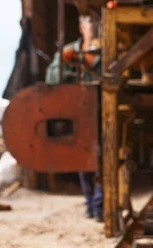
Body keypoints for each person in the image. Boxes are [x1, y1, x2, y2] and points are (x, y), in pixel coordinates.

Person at [46, 15, 104, 222]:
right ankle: (90, 204)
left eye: (100, 23)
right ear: (82, 27)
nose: (96, 27)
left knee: (104, 160)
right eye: (91, 23)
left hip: (104, 115)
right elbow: (52, 79)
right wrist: (63, 61)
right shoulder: (70, 52)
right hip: (79, 118)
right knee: (84, 162)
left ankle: (99, 206)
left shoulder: (110, 51)